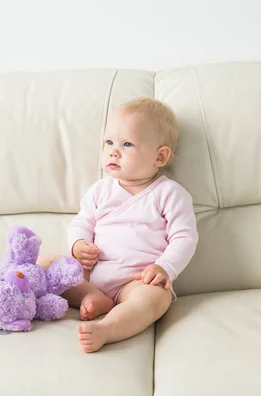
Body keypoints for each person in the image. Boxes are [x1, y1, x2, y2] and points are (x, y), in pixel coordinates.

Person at [38, 97, 198, 353]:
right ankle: (91, 296)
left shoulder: (169, 194)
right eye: (109, 142)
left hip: (136, 281)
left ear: (160, 156)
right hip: (92, 273)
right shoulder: (100, 190)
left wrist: (165, 267)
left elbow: (185, 238)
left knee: (156, 298)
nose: (113, 151)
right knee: (45, 263)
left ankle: (108, 328)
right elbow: (82, 222)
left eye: (127, 144)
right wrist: (79, 244)